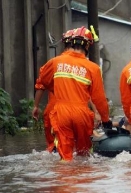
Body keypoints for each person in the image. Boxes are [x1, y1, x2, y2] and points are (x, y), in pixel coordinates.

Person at [35, 26, 112, 161]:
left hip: (61, 113)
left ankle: (66, 180)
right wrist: (105, 120)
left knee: (65, 155)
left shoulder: (56, 62)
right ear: (87, 46)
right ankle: (82, 180)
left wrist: (57, 88)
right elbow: (98, 98)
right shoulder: (93, 68)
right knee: (84, 154)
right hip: (82, 114)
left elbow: (43, 80)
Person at [32, 29, 75, 152]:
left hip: (54, 110)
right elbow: (91, 93)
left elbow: (41, 85)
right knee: (77, 150)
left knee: (53, 148)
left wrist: (35, 106)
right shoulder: (84, 65)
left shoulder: (53, 63)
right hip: (75, 110)